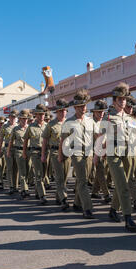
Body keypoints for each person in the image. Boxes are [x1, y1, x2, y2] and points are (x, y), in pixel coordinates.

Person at [93, 82, 136, 232]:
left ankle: (113, 210)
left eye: (124, 99)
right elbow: (100, 138)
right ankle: (128, 217)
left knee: (123, 184)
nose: (122, 102)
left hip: (128, 153)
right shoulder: (107, 118)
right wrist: (96, 156)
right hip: (113, 155)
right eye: (119, 99)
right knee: (123, 186)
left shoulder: (129, 118)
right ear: (114, 101)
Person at [60, 89, 95, 219]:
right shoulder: (68, 122)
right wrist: (61, 155)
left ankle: (76, 203)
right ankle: (87, 208)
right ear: (75, 107)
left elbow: (96, 136)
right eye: (80, 106)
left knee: (84, 180)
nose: (82, 108)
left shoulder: (90, 120)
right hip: (76, 152)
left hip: (89, 153)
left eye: (84, 106)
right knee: (82, 181)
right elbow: (63, 140)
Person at [42, 99, 71, 210]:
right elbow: (45, 140)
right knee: (59, 177)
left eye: (64, 110)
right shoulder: (51, 124)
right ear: (57, 112)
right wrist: (43, 155)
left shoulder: (69, 123)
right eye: (60, 111)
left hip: (67, 152)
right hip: (54, 152)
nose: (63, 112)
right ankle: (64, 199)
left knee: (64, 177)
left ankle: (58, 197)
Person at [23, 105, 49, 205]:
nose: (41, 116)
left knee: (44, 174)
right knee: (38, 174)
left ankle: (38, 192)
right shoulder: (31, 127)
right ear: (36, 115)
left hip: (46, 152)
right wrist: (25, 152)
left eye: (43, 114)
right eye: (39, 114)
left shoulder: (47, 126)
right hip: (35, 153)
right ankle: (43, 195)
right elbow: (25, 140)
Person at [90, 100, 112, 204]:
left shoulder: (103, 122)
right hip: (93, 151)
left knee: (101, 172)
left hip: (103, 149)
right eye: (99, 111)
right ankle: (106, 194)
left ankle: (94, 191)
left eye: (103, 111)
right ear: (94, 112)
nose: (101, 113)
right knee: (101, 172)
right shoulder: (91, 123)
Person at [8, 110, 30, 199]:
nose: (24, 120)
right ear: (20, 119)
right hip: (19, 152)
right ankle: (24, 189)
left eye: (26, 119)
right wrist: (9, 151)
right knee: (22, 171)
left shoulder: (29, 128)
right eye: (22, 119)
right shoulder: (15, 129)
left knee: (28, 171)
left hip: (29, 151)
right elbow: (11, 141)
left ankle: (25, 186)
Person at [0, 109, 19, 195]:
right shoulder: (5, 127)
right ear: (9, 117)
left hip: (17, 148)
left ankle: (16, 186)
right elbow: (1, 139)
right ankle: (11, 186)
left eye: (14, 117)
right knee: (10, 168)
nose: (13, 118)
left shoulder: (18, 126)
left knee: (16, 168)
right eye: (12, 117)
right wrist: (0, 149)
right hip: (8, 149)